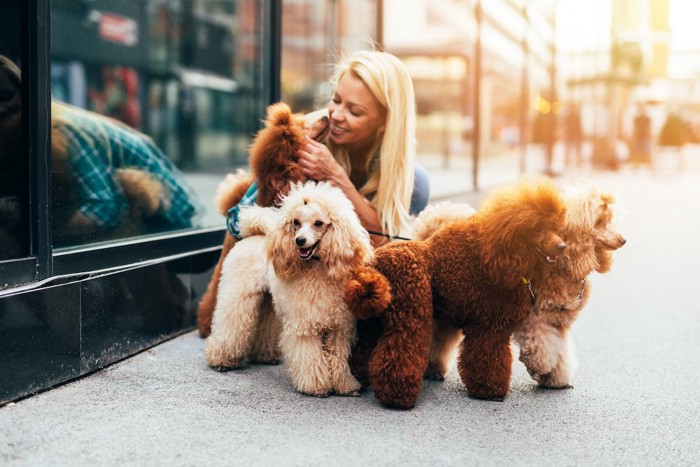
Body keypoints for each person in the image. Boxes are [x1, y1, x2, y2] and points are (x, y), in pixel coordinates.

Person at [0, 54, 200, 247]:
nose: (1, 108)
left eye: (6, 96)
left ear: (26, 93)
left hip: (170, 227)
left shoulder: (58, 131)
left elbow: (103, 210)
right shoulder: (22, 134)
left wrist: (39, 237)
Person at [297, 50, 429, 246]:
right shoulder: (307, 135)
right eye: (336, 100)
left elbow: (384, 244)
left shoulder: (413, 182)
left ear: (385, 121)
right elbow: (239, 214)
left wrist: (335, 177)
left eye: (355, 111)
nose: (336, 115)